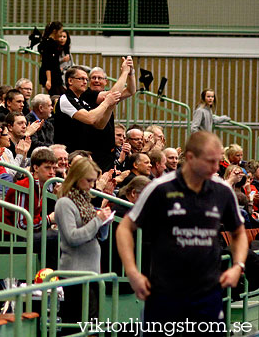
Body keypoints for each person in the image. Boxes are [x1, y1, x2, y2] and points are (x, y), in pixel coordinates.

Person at [117, 131, 247, 329]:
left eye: (218, 161)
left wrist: (238, 266)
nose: (216, 167)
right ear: (190, 157)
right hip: (165, 292)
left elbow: (238, 232)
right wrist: (132, 272)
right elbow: (125, 227)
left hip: (208, 292)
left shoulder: (222, 191)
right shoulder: (160, 188)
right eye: (210, 161)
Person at [55, 157, 111, 324]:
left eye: (94, 181)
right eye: (89, 180)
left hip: (91, 271)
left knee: (92, 322)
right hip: (75, 272)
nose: (92, 185)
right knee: (76, 323)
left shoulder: (85, 200)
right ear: (77, 178)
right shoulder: (65, 203)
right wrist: (97, 221)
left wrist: (104, 223)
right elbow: (72, 237)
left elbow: (99, 235)